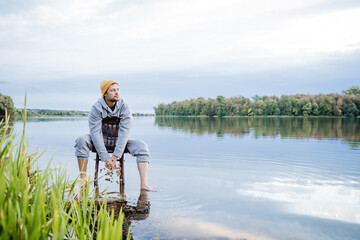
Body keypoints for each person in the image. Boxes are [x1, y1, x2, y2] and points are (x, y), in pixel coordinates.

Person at [74, 80, 157, 192]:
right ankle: (82, 180)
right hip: (101, 140)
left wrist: (115, 156)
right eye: (113, 90)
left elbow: (125, 133)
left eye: (117, 90)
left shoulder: (125, 107)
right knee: (82, 140)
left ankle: (144, 185)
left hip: (121, 142)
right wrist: (105, 157)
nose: (117, 92)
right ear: (105, 93)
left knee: (142, 146)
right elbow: (95, 134)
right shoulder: (96, 108)